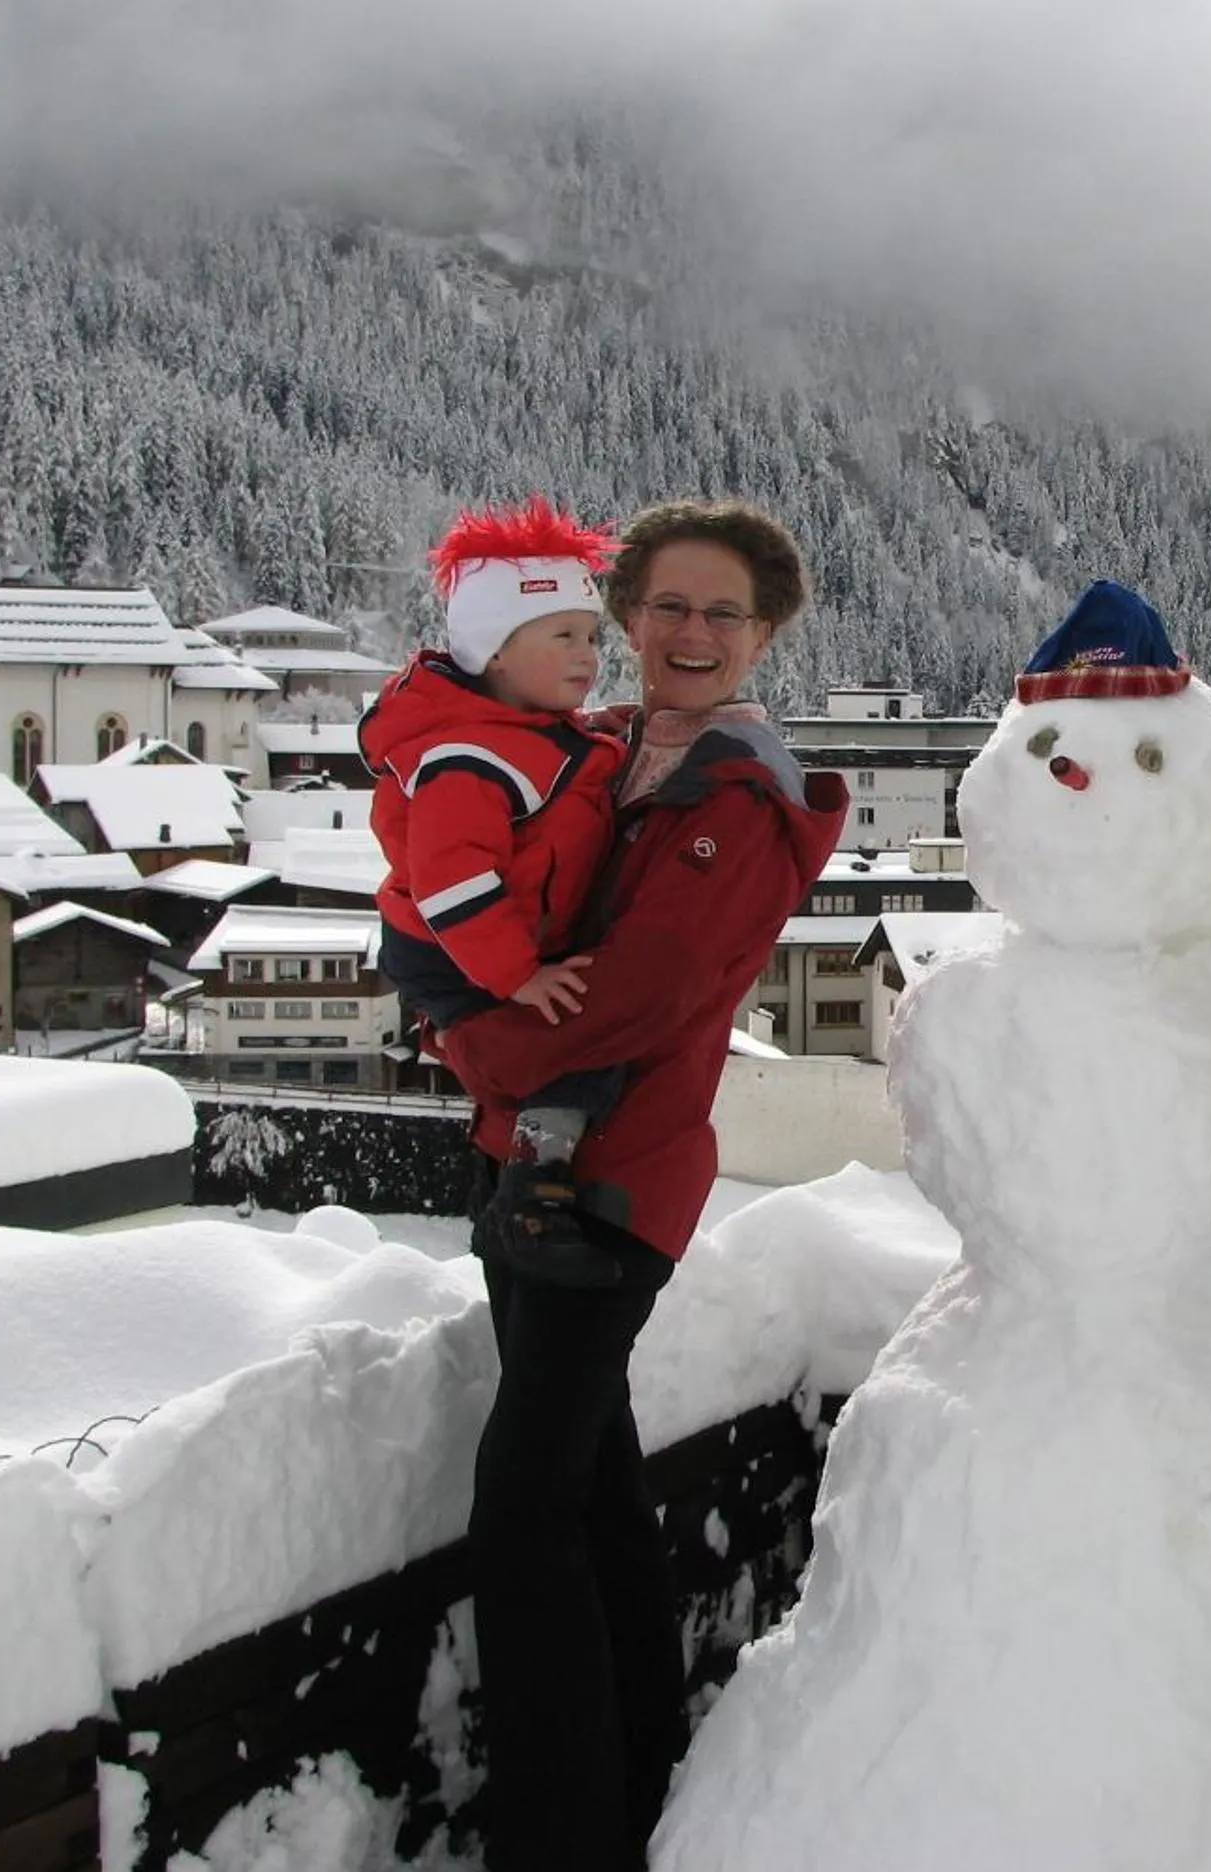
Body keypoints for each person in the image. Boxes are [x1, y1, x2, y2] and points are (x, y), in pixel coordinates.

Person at [437, 498, 849, 1872]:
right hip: (544, 1165)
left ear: (766, 633)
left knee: (525, 1515)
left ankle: (561, 1837)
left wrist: (471, 1041)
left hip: (609, 1184)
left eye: (722, 613)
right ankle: (641, 1792)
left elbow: (651, 985)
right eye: (668, 605)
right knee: (594, 1490)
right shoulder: (605, 752)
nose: (691, 633)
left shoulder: (734, 787)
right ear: (624, 616)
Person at [361, 497, 628, 1288]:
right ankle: (534, 1194)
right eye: (563, 637)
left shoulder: (523, 730)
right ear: (496, 653)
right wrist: (516, 976)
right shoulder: (465, 760)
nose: (587, 655)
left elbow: (562, 773)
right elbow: (454, 885)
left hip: (483, 938)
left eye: (591, 636)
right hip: (451, 946)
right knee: (562, 1051)